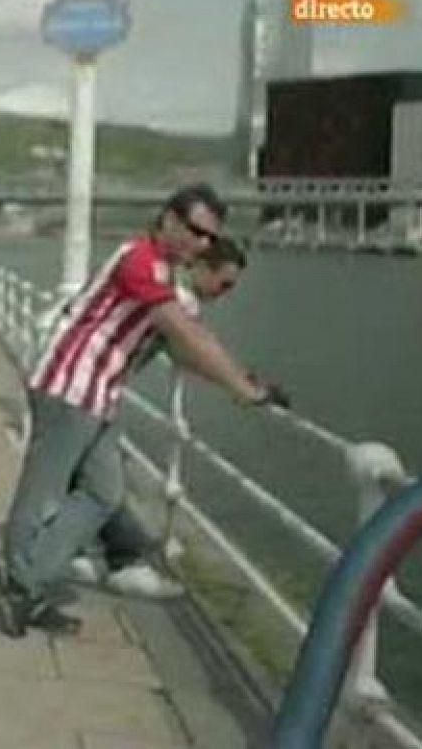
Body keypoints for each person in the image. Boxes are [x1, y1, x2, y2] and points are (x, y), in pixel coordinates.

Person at [0, 184, 287, 638]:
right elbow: (185, 336)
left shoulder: (164, 273)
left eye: (209, 237)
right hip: (67, 388)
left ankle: (28, 579)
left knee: (103, 494)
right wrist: (243, 391)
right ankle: (22, 587)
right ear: (168, 218)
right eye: (195, 231)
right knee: (42, 494)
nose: (202, 243)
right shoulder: (140, 262)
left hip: (97, 396)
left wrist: (243, 383)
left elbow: (184, 348)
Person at [69, 236, 252, 599]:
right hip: (82, 387)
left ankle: (96, 554)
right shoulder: (175, 301)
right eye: (224, 282)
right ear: (201, 267)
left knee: (88, 474)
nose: (225, 292)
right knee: (100, 480)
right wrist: (243, 387)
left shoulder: (166, 289)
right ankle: (102, 559)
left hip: (85, 384)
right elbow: (192, 349)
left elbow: (184, 352)